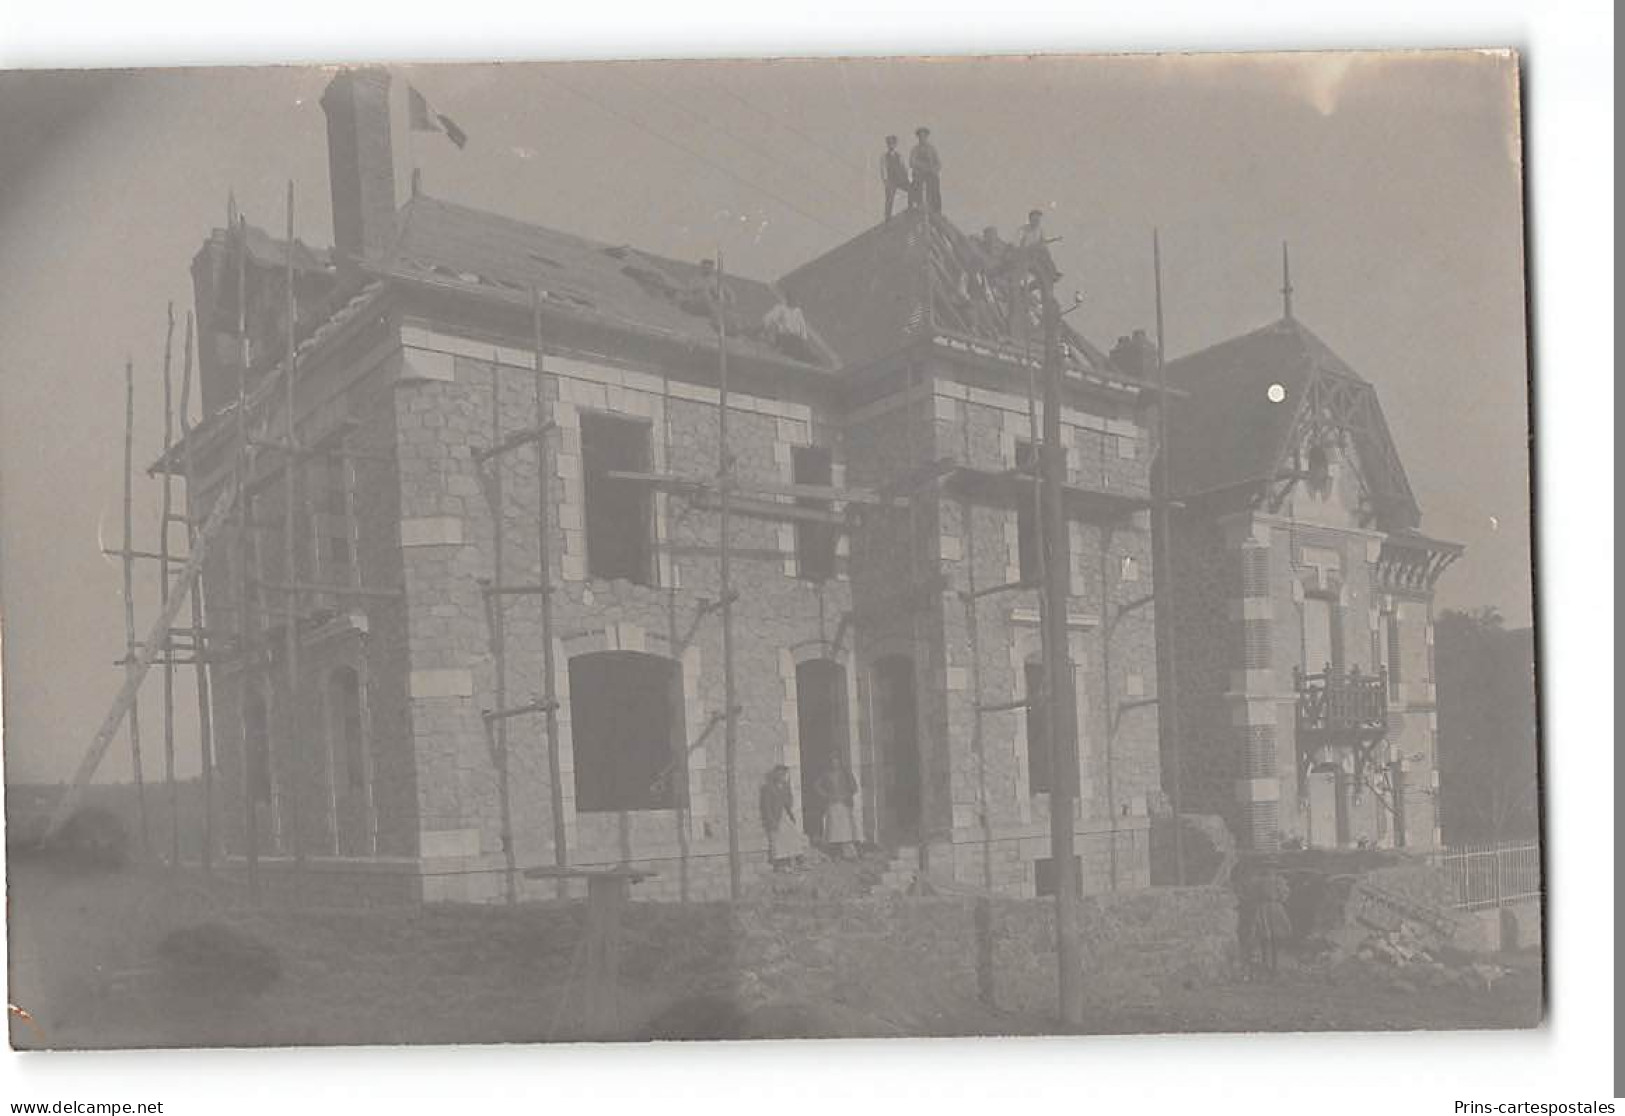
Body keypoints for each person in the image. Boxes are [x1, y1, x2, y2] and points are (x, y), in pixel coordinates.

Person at [759, 765, 806, 872]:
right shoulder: (767, 788)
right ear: (775, 775)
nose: (781, 776)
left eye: (783, 774)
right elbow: (766, 807)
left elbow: (789, 802)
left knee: (793, 834)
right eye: (779, 774)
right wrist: (771, 820)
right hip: (775, 817)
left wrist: (788, 789)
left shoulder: (785, 787)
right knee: (778, 840)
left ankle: (797, 861)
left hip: (785, 815)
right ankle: (780, 865)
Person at [814, 757, 859, 859]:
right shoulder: (826, 774)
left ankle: (849, 853)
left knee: (846, 828)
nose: (835, 763)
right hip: (832, 803)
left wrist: (846, 795)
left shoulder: (846, 773)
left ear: (840, 762)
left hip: (844, 803)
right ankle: (836, 852)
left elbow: (855, 788)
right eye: (832, 761)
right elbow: (816, 785)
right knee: (834, 828)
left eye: (837, 761)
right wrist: (827, 795)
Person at [1017, 209, 1062, 285]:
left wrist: (1054, 239)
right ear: (1030, 219)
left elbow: (1043, 241)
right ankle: (1051, 272)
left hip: (1037, 252)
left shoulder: (1039, 230)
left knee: (1045, 251)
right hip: (1026, 251)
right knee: (1043, 250)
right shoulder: (1024, 229)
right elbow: (1020, 243)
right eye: (1035, 219)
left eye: (1038, 220)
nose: (1037, 221)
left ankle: (1052, 272)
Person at [908, 127, 942, 214]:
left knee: (935, 184)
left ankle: (936, 208)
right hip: (919, 173)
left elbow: (938, 163)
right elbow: (912, 162)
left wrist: (934, 169)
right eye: (920, 136)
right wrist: (923, 167)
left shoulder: (932, 149)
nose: (922, 138)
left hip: (930, 173)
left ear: (927, 137)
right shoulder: (915, 149)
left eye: (924, 136)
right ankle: (917, 205)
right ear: (918, 138)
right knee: (916, 184)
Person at [880, 135, 911, 222]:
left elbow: (903, 167)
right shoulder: (884, 156)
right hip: (891, 180)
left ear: (895, 144)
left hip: (900, 179)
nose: (891, 145)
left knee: (911, 190)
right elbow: (883, 169)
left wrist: (907, 179)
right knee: (889, 198)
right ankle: (888, 217)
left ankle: (911, 207)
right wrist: (886, 181)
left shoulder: (899, 156)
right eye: (889, 143)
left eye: (893, 143)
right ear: (887, 145)